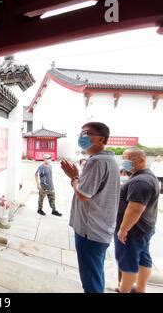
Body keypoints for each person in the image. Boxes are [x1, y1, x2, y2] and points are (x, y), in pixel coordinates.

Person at [61, 122, 120, 293]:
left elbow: (83, 195)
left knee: (90, 279)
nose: (82, 136)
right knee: (95, 273)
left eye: (87, 133)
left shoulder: (97, 161)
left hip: (91, 231)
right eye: (81, 133)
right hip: (101, 228)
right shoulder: (108, 160)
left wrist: (73, 178)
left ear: (101, 139)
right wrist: (78, 177)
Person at [114, 148, 159, 293]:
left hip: (133, 230)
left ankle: (124, 290)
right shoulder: (146, 176)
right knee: (144, 257)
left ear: (141, 160)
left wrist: (123, 229)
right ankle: (140, 288)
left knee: (128, 261)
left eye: (129, 158)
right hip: (145, 227)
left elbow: (135, 208)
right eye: (124, 158)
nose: (125, 162)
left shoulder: (140, 181)